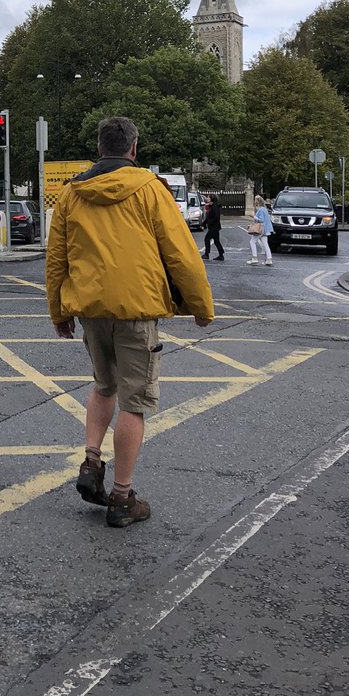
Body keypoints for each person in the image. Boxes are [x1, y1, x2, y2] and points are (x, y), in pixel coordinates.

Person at [46, 117, 214, 528]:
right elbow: (180, 253)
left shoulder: (71, 194)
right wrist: (201, 306)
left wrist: (59, 312)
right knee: (134, 403)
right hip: (137, 310)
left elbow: (56, 260)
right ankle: (122, 498)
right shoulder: (150, 190)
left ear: (100, 148)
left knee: (104, 385)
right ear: (133, 149)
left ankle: (91, 461)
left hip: (90, 309)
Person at [247, 194, 274, 266]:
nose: (254, 202)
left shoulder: (261, 210)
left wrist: (253, 216)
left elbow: (261, 220)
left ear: (258, 201)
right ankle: (269, 259)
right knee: (265, 243)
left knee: (252, 242)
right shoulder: (264, 209)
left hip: (260, 229)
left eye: (255, 200)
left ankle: (254, 258)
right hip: (265, 229)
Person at [202, 194, 224, 261]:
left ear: (212, 198)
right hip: (214, 227)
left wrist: (210, 223)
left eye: (208, 197)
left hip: (214, 227)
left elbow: (216, 217)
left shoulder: (215, 207)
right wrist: (204, 223)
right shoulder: (212, 206)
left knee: (207, 239)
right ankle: (221, 255)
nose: (207, 198)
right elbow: (208, 216)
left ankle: (206, 254)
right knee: (216, 241)